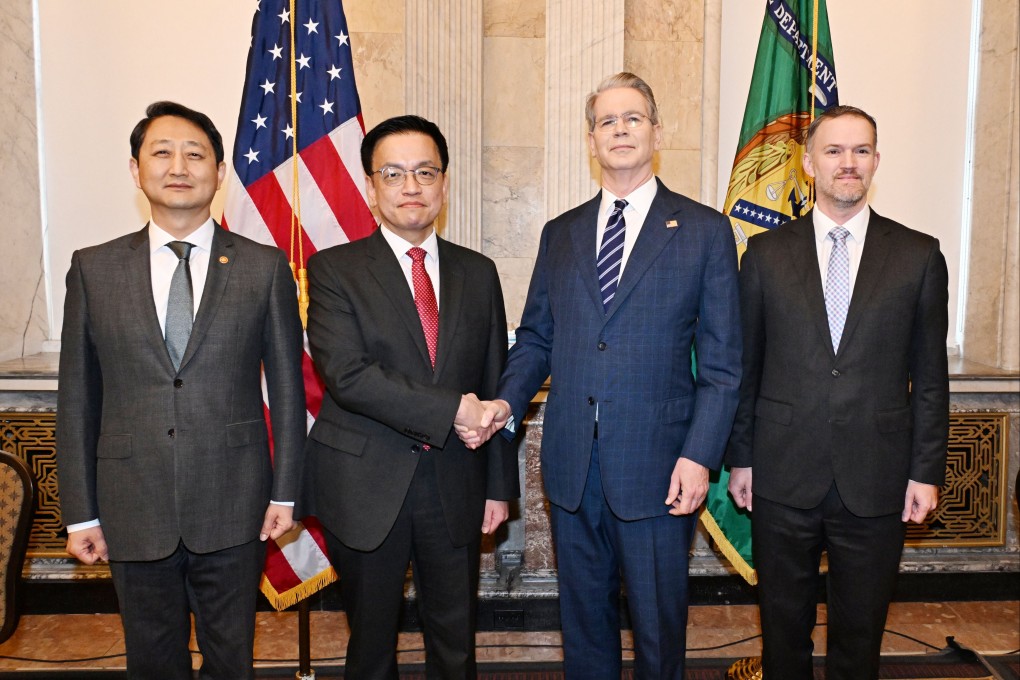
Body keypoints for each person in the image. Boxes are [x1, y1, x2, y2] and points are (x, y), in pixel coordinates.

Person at [479, 72, 741, 679]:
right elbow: (539, 338)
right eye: (606, 121)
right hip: (572, 464)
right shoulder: (561, 233)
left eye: (633, 118)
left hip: (660, 465)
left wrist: (700, 457)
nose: (620, 130)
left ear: (656, 131)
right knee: (584, 629)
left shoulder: (703, 231)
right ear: (591, 139)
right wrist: (504, 404)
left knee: (657, 629)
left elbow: (724, 365)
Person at [56, 101, 306, 679]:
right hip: (131, 503)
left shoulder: (263, 267)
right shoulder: (93, 269)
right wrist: (79, 514)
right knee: (151, 662)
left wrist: (286, 492)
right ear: (135, 168)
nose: (178, 166)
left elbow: (289, 392)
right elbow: (76, 399)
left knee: (231, 661)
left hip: (237, 503)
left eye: (195, 154)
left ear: (219, 173)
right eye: (161, 152)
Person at [726, 105, 949, 679]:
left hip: (877, 478)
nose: (848, 163)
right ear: (807, 164)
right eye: (834, 151)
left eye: (860, 151)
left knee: (859, 639)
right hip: (781, 474)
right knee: (783, 634)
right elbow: (746, 369)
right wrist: (742, 459)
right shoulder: (765, 255)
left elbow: (929, 379)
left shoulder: (919, 256)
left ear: (876, 161)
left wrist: (925, 471)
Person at [304, 115, 520, 679]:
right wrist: (452, 410)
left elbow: (495, 379)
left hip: (456, 483)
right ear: (371, 187)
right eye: (394, 174)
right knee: (371, 647)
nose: (411, 187)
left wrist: (499, 486)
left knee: (455, 644)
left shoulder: (479, 272)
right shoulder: (334, 270)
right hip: (367, 485)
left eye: (425, 172)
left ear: (444, 183)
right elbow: (348, 376)